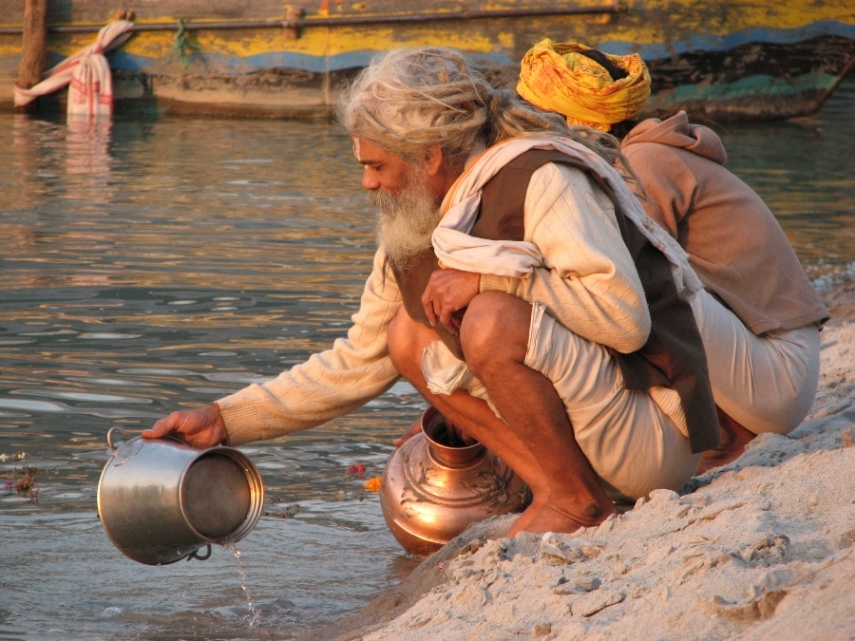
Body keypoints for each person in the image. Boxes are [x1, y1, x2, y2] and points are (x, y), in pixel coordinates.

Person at [143, 46, 722, 537]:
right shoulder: (416, 224)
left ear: (432, 157)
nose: (367, 183)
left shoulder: (542, 178)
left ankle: (575, 501)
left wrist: (492, 279)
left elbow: (625, 320)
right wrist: (225, 419)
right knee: (405, 336)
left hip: (652, 436)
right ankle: (558, 489)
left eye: (377, 166)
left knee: (491, 319)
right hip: (596, 435)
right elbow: (356, 364)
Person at [517, 39, 829, 472]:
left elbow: (626, 284)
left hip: (778, 374)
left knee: (629, 287)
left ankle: (721, 435)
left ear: (573, 120)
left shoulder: (643, 162)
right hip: (767, 365)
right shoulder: (641, 154)